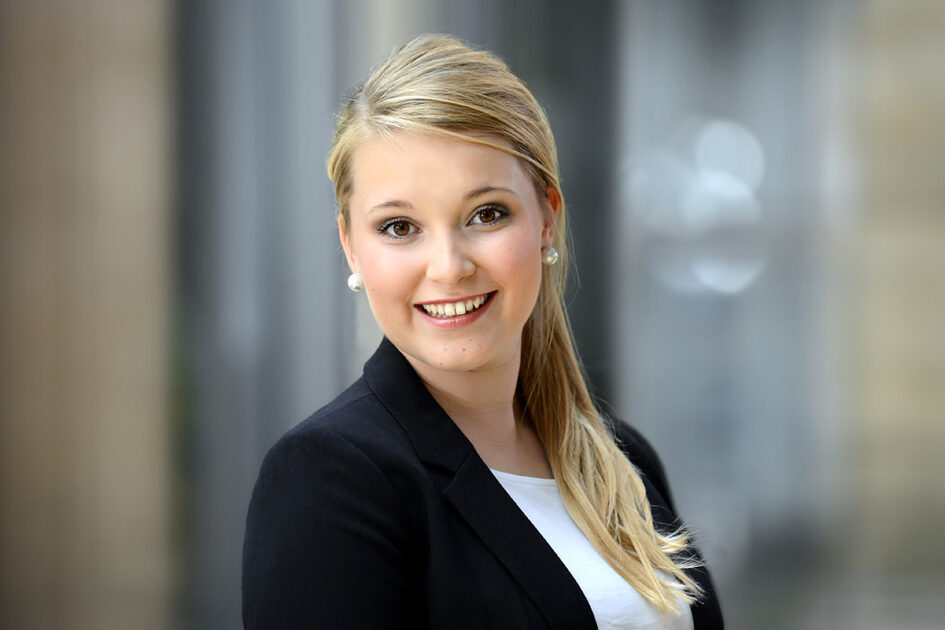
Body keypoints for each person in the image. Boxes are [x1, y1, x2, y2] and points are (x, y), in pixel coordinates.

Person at [242, 34, 724, 630]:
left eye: (486, 214)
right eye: (399, 226)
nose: (448, 266)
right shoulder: (329, 480)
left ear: (547, 217)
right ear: (351, 247)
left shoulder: (621, 457)